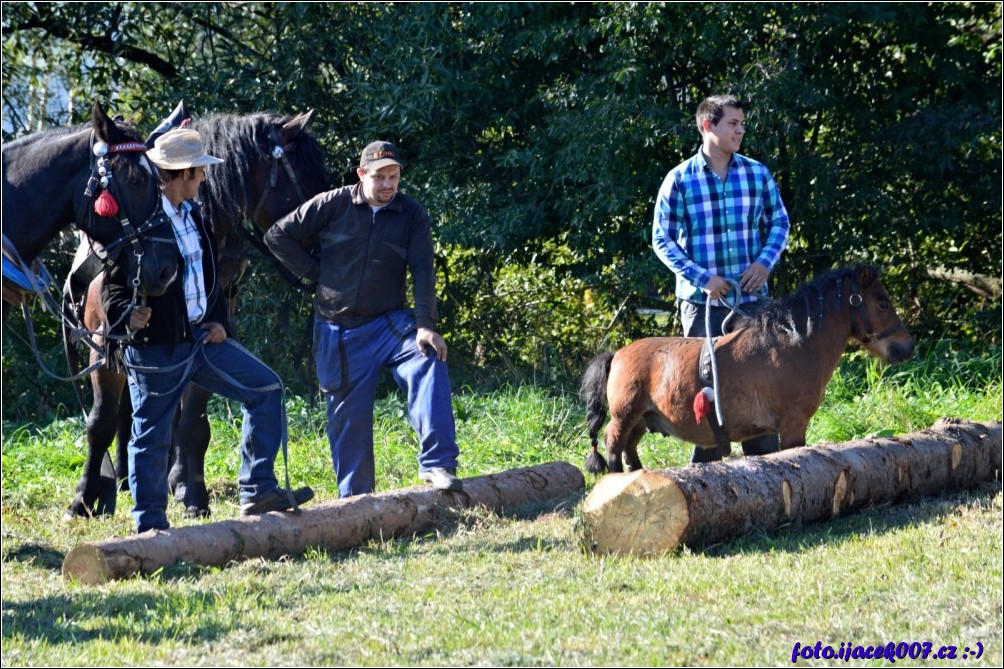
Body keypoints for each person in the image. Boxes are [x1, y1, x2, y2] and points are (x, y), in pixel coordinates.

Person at [104, 128, 314, 533]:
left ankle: (257, 490)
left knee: (266, 389)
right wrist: (126, 314)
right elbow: (112, 285)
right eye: (200, 173)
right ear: (183, 173)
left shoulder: (195, 214)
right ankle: (149, 527)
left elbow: (210, 275)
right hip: (156, 348)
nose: (204, 179)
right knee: (152, 434)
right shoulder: (140, 221)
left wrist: (218, 319)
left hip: (200, 340)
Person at [264, 141, 461, 497]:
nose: (388, 184)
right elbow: (277, 235)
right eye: (380, 177)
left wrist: (426, 325)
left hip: (390, 324)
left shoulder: (411, 214)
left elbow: (423, 271)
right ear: (361, 174)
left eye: (394, 176)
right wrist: (316, 272)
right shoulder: (332, 203)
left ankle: (437, 464)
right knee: (347, 421)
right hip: (338, 329)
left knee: (428, 359)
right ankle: (356, 505)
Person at [652, 94, 791, 462]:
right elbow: (661, 239)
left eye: (742, 124)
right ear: (707, 125)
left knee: (759, 383)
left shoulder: (757, 174)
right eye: (733, 123)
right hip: (702, 304)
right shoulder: (679, 180)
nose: (740, 130)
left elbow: (779, 223)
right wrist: (703, 279)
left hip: (753, 301)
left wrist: (764, 263)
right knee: (705, 386)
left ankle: (764, 468)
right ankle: (706, 477)